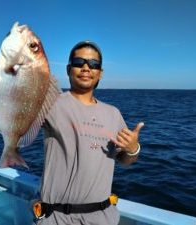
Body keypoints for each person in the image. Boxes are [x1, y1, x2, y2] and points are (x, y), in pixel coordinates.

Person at [33, 41, 144, 225]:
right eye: (79, 62)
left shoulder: (113, 113)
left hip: (102, 217)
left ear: (100, 73)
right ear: (69, 69)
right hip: (56, 218)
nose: (86, 68)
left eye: (94, 64)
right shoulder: (49, 103)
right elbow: (16, 115)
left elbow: (125, 160)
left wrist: (133, 149)